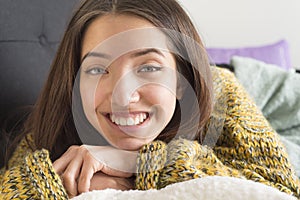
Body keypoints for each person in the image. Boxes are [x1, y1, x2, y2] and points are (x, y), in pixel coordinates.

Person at [1, 0, 299, 199]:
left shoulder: (222, 92)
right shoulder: (59, 116)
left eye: (148, 68)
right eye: (97, 69)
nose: (123, 95)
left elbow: (280, 188)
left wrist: (137, 164)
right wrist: (63, 181)